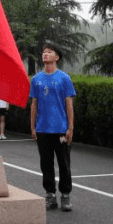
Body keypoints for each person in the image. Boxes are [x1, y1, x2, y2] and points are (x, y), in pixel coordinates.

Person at [29, 44, 76, 212]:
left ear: (57, 57)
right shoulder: (36, 79)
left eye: (49, 52)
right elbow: (34, 104)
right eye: (44, 52)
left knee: (64, 163)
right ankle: (50, 195)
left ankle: (65, 196)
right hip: (42, 129)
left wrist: (70, 128)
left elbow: (69, 104)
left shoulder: (64, 78)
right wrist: (33, 126)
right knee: (46, 164)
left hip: (61, 129)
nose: (45, 54)